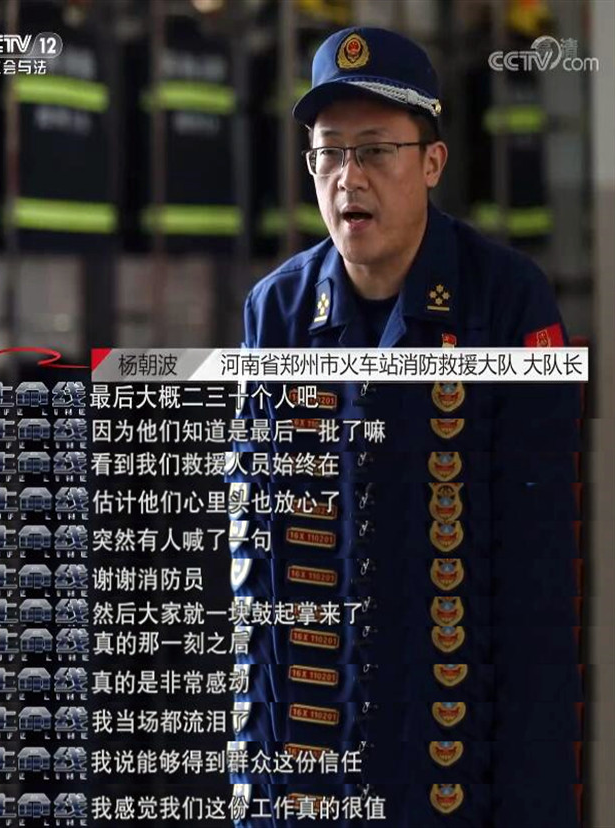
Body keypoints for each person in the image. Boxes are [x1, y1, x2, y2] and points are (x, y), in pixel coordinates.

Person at [228, 27, 582, 828]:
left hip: (451, 759)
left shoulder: (507, 301)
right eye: (328, 153)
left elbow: (537, 590)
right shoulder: (277, 312)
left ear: (432, 163)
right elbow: (260, 572)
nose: (348, 177)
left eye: (376, 151)